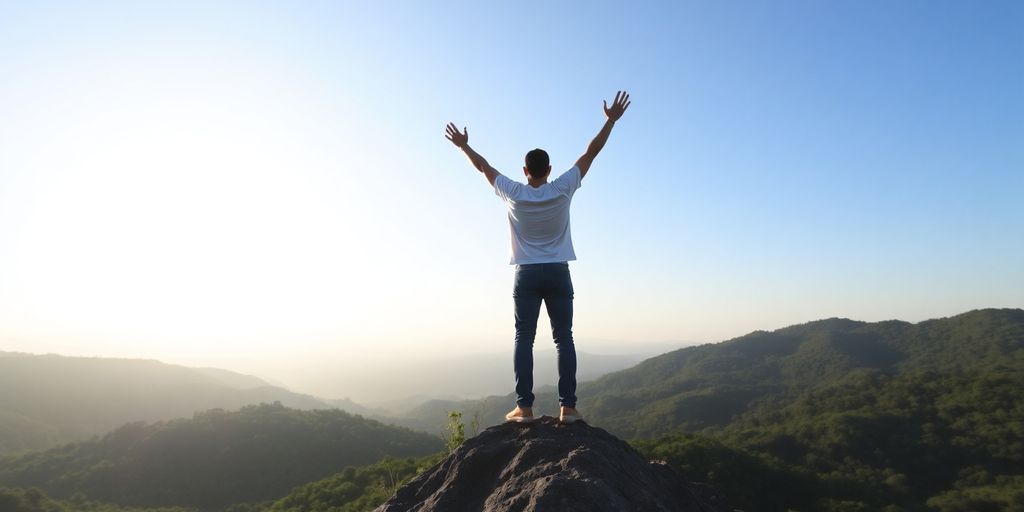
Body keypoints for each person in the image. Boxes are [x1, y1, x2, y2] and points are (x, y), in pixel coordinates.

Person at [445, 91, 631, 424]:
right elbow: (592, 152)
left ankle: (525, 408)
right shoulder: (563, 187)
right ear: (549, 169)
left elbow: (484, 168)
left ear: (525, 170)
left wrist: (463, 146)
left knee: (524, 339)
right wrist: (610, 121)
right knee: (564, 338)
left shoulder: (513, 193)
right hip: (559, 272)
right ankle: (568, 408)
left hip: (526, 275)